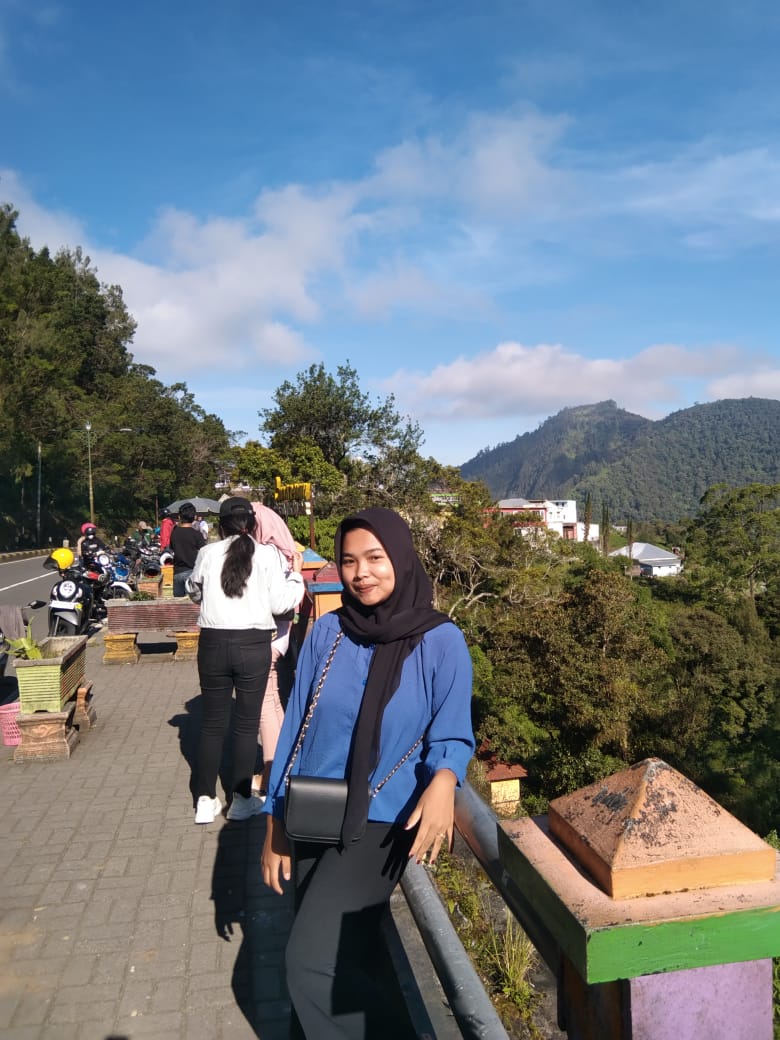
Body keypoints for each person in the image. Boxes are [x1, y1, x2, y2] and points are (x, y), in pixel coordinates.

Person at [261, 507, 474, 1039]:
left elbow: (451, 731)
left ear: (400, 558)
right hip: (313, 808)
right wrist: (275, 824)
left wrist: (445, 780)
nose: (362, 573)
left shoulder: (440, 640)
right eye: (350, 561)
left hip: (383, 821)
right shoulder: (330, 631)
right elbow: (294, 733)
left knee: (311, 963)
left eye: (376, 558)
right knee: (340, 960)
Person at [188, 496, 304, 825]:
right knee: (245, 725)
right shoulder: (266, 555)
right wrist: (296, 575)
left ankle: (204, 800)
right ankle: (240, 800)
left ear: (222, 525)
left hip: (212, 643)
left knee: (212, 726)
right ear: (252, 524)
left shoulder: (207, 553)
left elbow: (194, 592)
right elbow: (282, 604)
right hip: (253, 644)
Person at [250, 501, 302, 797]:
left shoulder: (269, 556)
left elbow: (280, 601)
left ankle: (273, 777)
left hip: (266, 635)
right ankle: (282, 767)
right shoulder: (282, 552)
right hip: (276, 634)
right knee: (271, 704)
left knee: (265, 706)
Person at [169, 502, 206, 597]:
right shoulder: (197, 535)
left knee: (178, 606)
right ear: (194, 517)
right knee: (191, 605)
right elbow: (204, 553)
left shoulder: (174, 532)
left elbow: (172, 548)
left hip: (177, 572)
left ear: (180, 517)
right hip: (192, 572)